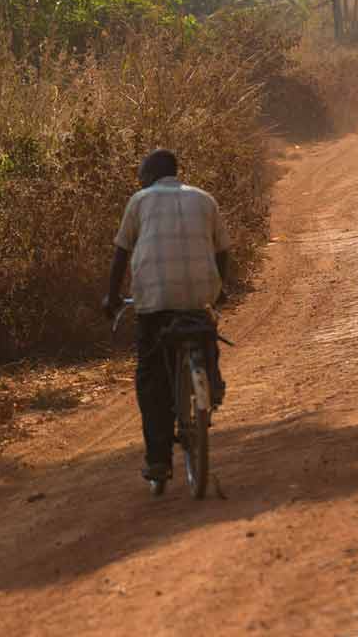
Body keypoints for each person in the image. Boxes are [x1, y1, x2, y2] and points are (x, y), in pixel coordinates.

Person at [105, 149, 230, 483]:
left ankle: (158, 459)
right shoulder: (205, 199)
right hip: (199, 295)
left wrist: (111, 298)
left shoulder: (140, 200)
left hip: (155, 301)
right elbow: (223, 251)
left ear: (149, 176)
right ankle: (211, 381)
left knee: (151, 375)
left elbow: (121, 253)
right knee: (205, 325)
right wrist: (219, 288)